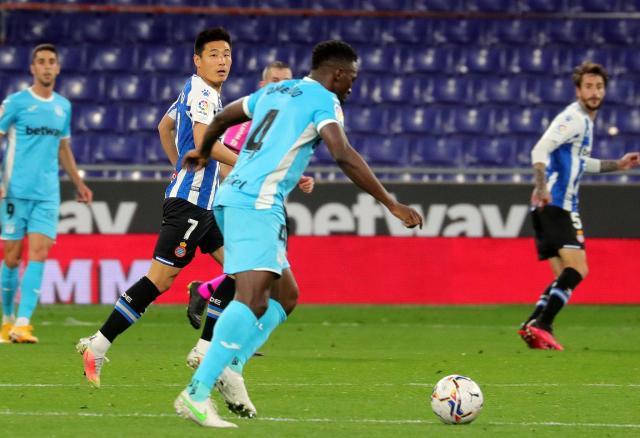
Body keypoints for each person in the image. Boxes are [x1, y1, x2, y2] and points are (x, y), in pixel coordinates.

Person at [174, 40, 423, 428]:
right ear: (338, 74)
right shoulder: (325, 101)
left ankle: (232, 366)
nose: (352, 86)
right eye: (352, 78)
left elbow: (223, 117)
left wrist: (204, 151)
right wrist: (390, 203)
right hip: (256, 202)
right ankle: (197, 392)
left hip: (239, 196)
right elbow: (343, 154)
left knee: (285, 295)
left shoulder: (277, 90)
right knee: (251, 298)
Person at [76, 27, 238, 387]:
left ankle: (205, 349)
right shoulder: (203, 93)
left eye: (226, 54)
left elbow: (163, 126)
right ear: (197, 60)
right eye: (213, 54)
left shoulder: (196, 91)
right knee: (159, 280)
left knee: (242, 269)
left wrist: (178, 166)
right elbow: (204, 143)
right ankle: (97, 345)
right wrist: (245, 163)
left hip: (203, 205)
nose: (222, 60)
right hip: (190, 205)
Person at [184, 60, 314, 369]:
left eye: (287, 81)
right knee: (246, 273)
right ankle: (207, 346)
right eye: (275, 81)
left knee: (254, 274)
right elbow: (226, 162)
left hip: (264, 205)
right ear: (263, 85)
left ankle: (207, 299)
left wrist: (297, 178)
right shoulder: (249, 120)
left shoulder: (283, 122)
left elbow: (268, 164)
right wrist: (244, 194)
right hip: (242, 205)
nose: (282, 87)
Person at [518, 61, 639, 351]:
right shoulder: (573, 118)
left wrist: (618, 165)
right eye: (588, 87)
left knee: (564, 275)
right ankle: (542, 325)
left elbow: (582, 163)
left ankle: (532, 325)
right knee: (578, 269)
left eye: (599, 87)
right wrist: (542, 188)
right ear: (578, 90)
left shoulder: (584, 123)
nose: (594, 92)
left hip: (549, 204)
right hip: (557, 202)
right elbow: (540, 149)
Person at [0, 43, 93, 344]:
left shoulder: (63, 106)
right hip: (14, 191)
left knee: (39, 253)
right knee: (12, 258)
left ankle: (23, 324)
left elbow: (63, 147)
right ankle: (6, 320)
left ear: (58, 68)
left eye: (51, 61)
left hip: (47, 193)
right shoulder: (15, 103)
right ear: (32, 68)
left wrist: (78, 182)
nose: (46, 66)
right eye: (41, 61)